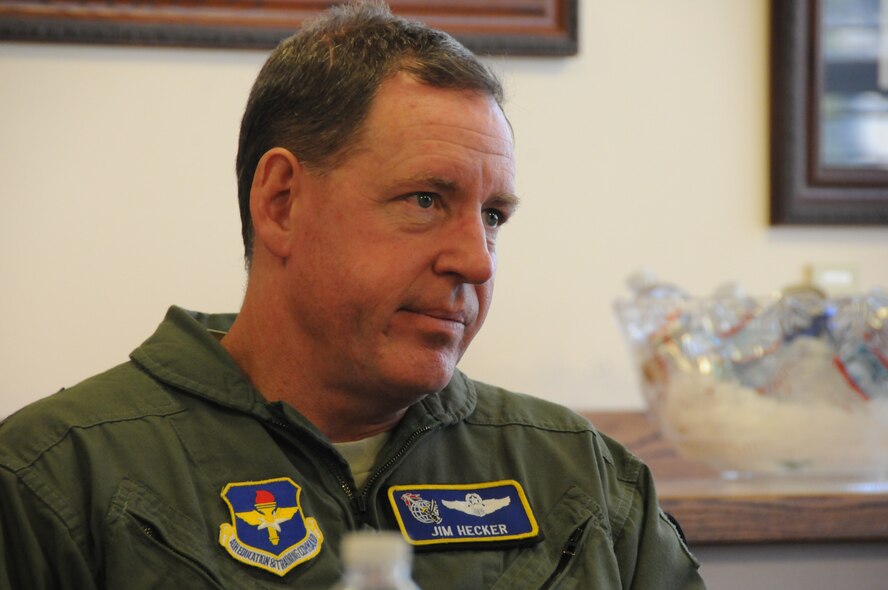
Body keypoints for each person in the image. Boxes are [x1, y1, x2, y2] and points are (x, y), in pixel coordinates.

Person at [0, 1, 705, 588]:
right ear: (281, 204)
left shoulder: (585, 481)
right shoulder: (59, 480)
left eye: (493, 217)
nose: (476, 261)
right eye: (426, 199)